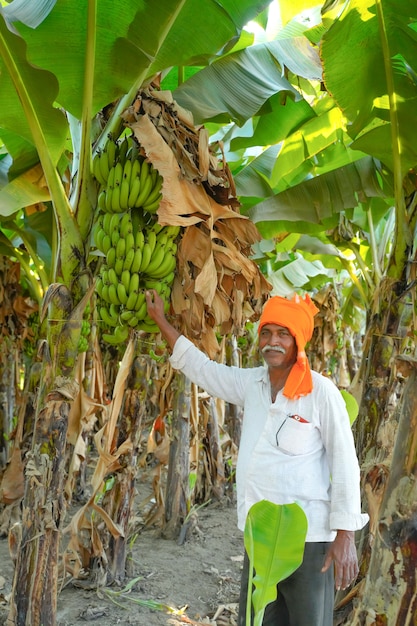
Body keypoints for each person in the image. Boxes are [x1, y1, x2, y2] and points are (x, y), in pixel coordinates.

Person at [145, 289, 369, 626]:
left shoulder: (321, 392)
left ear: (298, 341)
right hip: (260, 534)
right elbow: (203, 369)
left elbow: (345, 463)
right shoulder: (253, 383)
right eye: (266, 332)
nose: (272, 341)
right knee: (259, 619)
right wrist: (161, 320)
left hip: (308, 541)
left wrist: (345, 535)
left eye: (283, 334)